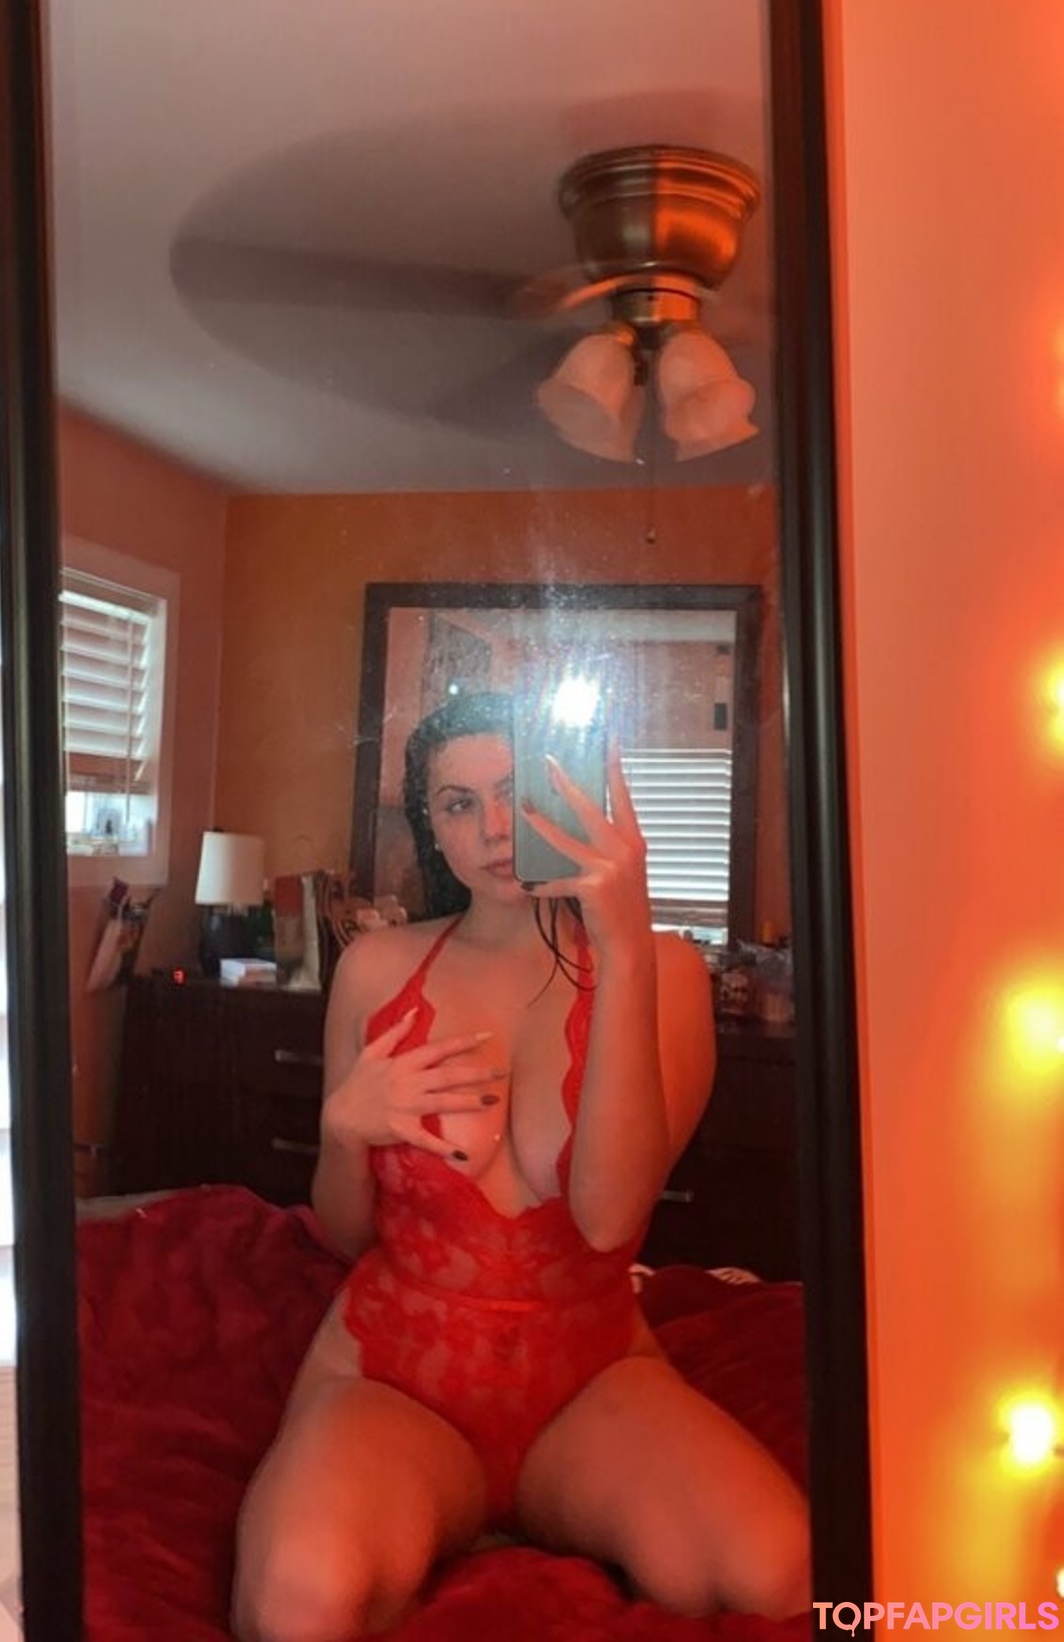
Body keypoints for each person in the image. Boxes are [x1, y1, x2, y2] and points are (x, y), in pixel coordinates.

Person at [232, 691, 809, 1642]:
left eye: (514, 793)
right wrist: (344, 1132)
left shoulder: (664, 972)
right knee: (303, 1596)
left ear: (564, 793)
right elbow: (343, 1231)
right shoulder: (376, 967)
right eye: (458, 804)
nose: (494, 829)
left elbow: (608, 1220)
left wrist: (620, 947)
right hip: (394, 1376)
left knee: (780, 1569)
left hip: (586, 1381)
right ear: (432, 829)